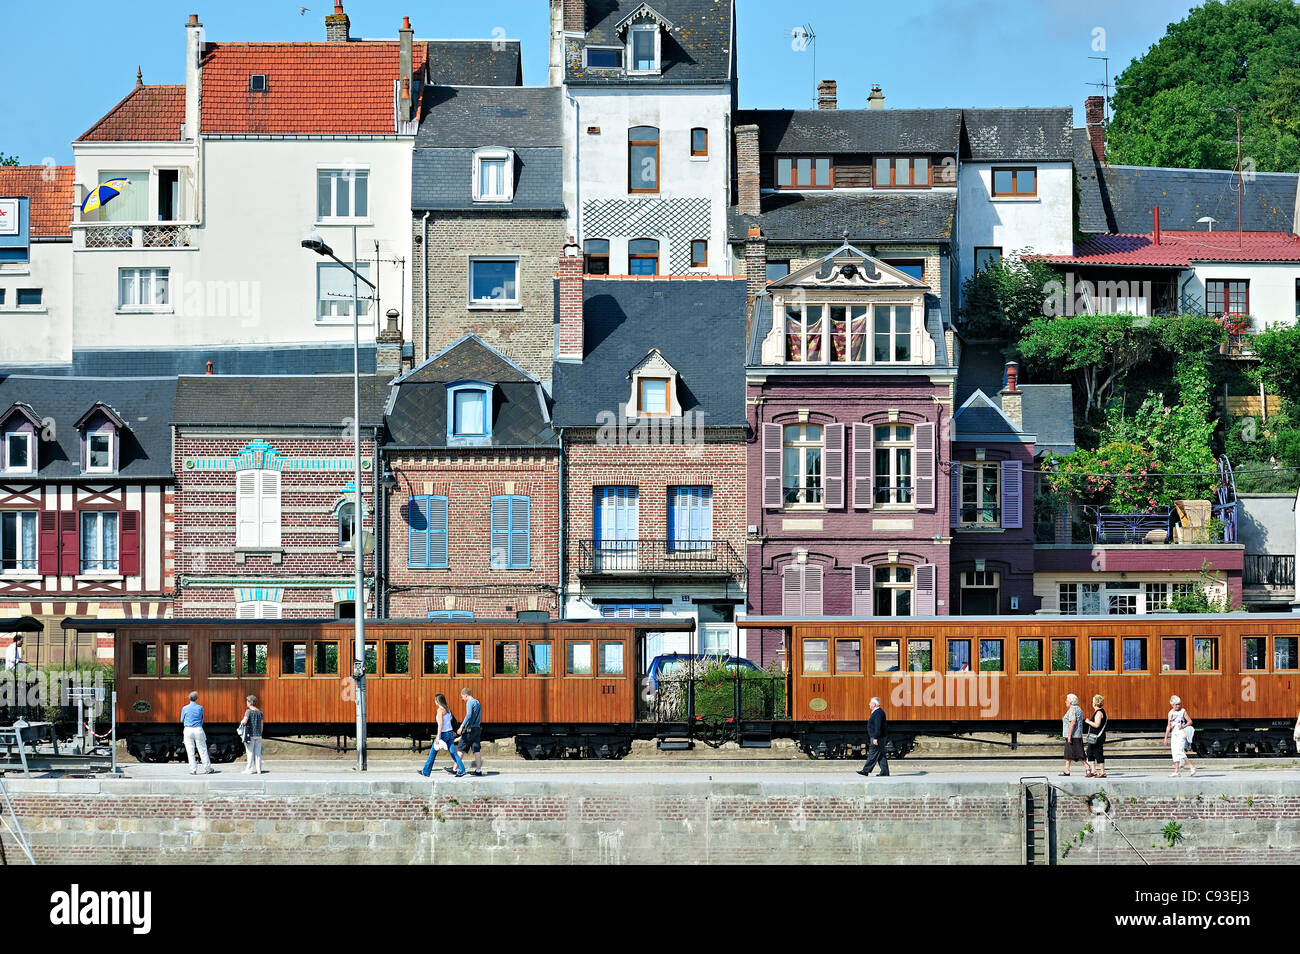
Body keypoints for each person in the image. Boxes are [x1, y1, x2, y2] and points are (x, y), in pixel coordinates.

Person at [418, 693, 465, 778]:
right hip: (450, 733)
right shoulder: (447, 709)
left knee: (432, 753)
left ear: (438, 701)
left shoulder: (440, 710)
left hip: (443, 734)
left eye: (435, 700)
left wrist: (438, 737)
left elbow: (440, 724)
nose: (434, 701)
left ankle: (425, 772)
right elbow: (450, 721)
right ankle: (462, 770)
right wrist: (452, 732)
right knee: (453, 753)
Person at [181, 691, 213, 775]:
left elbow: (181, 720)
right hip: (198, 729)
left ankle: (193, 770)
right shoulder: (200, 708)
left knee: (190, 751)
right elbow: (202, 718)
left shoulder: (185, 708)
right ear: (197, 698)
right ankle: (208, 768)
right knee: (202, 749)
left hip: (188, 730)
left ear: (189, 698)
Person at [856, 697, 890, 778]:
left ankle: (866, 770)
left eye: (870, 703)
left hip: (878, 737)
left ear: (874, 704)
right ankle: (885, 772)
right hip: (879, 736)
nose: (869, 704)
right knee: (881, 755)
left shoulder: (877, 713)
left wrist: (875, 737)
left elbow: (878, 726)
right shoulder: (878, 712)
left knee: (872, 753)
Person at [1164, 695, 1197, 777]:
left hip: (1181, 733)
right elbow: (1168, 725)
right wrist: (1165, 737)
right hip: (1174, 733)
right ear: (1172, 704)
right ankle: (1177, 771)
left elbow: (1190, 721)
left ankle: (1191, 766)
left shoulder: (1182, 711)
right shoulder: (1170, 713)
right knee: (1174, 752)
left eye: (1179, 704)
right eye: (1176, 704)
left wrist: (1183, 726)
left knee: (1179, 751)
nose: (1178, 706)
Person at [456, 687, 484, 777]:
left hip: (469, 729)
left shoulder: (469, 702)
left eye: (462, 697)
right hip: (476, 728)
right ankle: (478, 770)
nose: (462, 699)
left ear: (466, 695)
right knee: (476, 749)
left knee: (461, 748)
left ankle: (455, 768)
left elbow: (468, 715)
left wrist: (461, 726)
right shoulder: (477, 702)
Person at [1060, 693, 1086, 776]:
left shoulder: (1072, 709)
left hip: (1073, 735)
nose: (1065, 702)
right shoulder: (1078, 709)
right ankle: (1067, 769)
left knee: (1078, 753)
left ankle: (1087, 766)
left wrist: (1069, 736)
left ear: (1071, 701)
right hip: (1077, 734)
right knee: (1069, 753)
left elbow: (1072, 722)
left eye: (1067, 700)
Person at [1083, 693, 1108, 778]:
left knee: (1098, 753)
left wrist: (1088, 722)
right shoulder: (1101, 711)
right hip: (1094, 737)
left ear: (1095, 703)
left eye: (1093, 701)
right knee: (1090, 752)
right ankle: (1093, 771)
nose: (1092, 703)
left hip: (1097, 737)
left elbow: (1097, 725)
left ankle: (1102, 772)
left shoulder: (1099, 712)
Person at [238, 694, 264, 775]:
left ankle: (249, 770)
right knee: (258, 753)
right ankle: (259, 770)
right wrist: (260, 733)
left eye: (247, 701)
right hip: (258, 735)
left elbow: (245, 721)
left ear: (250, 702)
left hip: (250, 735)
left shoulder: (248, 711)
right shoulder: (260, 712)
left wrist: (241, 722)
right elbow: (262, 725)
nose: (246, 703)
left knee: (250, 753)